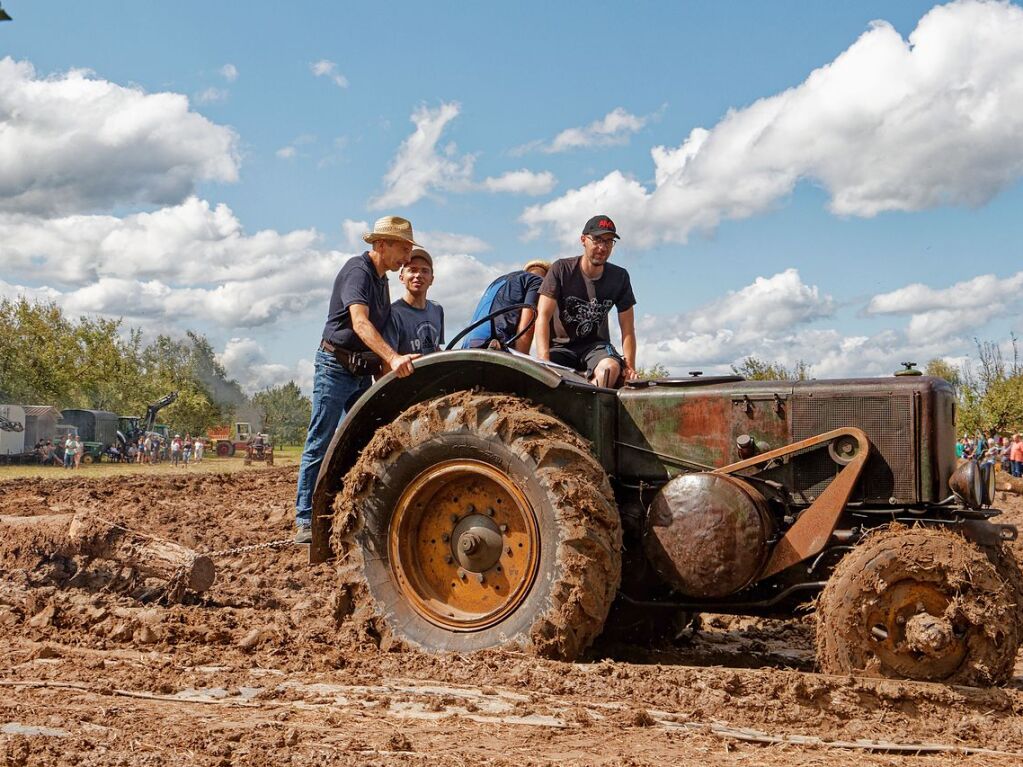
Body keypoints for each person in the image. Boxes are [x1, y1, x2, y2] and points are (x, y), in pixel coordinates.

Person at [294, 215, 421, 544]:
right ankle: (304, 520)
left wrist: (386, 377)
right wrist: (393, 358)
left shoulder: (382, 280)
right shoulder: (358, 271)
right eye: (403, 248)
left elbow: (378, 331)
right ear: (381, 245)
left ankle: (349, 508)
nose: (408, 256)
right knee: (321, 441)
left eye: (410, 248)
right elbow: (361, 324)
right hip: (335, 367)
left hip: (360, 371)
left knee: (368, 438)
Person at [535, 215, 638, 388]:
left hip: (595, 347)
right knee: (540, 375)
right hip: (560, 348)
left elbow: (627, 328)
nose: (602, 247)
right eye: (597, 240)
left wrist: (629, 367)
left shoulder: (619, 277)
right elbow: (542, 317)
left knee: (610, 369)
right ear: (583, 240)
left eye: (608, 241)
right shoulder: (561, 269)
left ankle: (587, 400)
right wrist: (544, 360)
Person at [462, 259, 550, 352]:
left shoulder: (499, 280)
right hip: (492, 343)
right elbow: (527, 324)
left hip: (468, 343)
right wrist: (522, 358)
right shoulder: (537, 282)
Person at [386, 247, 444, 355]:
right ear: (401, 277)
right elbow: (387, 361)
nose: (418, 275)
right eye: (412, 270)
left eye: (425, 271)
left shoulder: (437, 310)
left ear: (431, 279)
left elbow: (435, 349)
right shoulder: (393, 314)